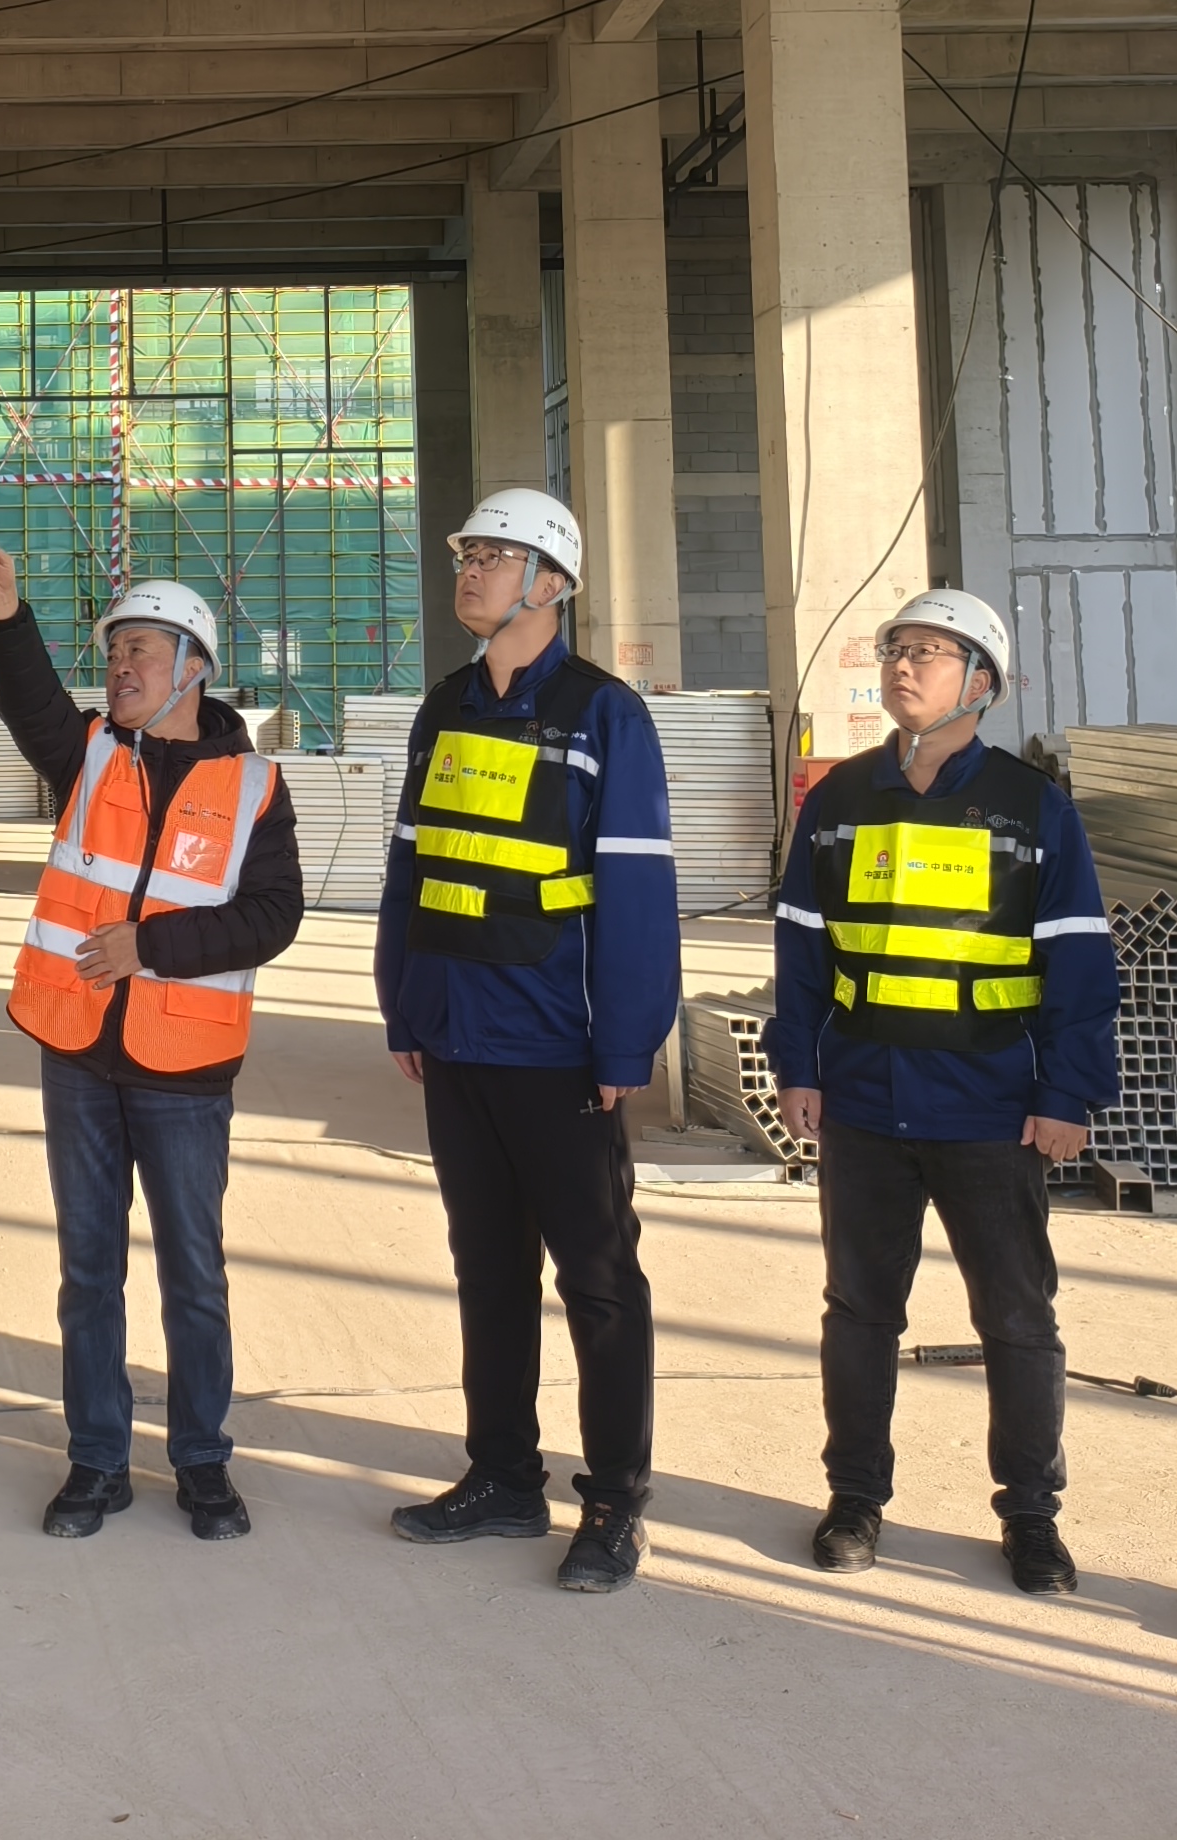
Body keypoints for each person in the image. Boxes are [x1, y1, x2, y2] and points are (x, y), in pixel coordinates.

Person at [0, 514, 306, 1542]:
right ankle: (97, 1461)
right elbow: (28, 700)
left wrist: (148, 947)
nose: (120, 666)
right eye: (113, 651)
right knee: (89, 1271)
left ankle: (201, 1461)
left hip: (184, 1067)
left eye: (141, 650)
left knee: (193, 1275)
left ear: (194, 667)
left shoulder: (253, 786)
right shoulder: (91, 757)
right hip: (78, 1051)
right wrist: (5, 611)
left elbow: (272, 916)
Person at [767, 588, 1121, 1592]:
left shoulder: (1031, 806)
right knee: (859, 1311)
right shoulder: (840, 798)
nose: (903, 666)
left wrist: (1067, 1093)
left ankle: (1032, 1516)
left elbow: (1077, 959)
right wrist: (798, 1067)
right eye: (897, 650)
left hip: (990, 1106)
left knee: (1016, 1317)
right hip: (863, 1101)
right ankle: (854, 1500)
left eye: (929, 652)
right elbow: (801, 950)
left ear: (982, 684)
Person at [374, 484, 678, 1593]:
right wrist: (404, 1001)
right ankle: (502, 1476)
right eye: (468, 554)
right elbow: (412, 864)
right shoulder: (445, 706)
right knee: (488, 1270)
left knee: (597, 1279)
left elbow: (636, 892)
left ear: (551, 584)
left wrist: (624, 1045)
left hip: (557, 1046)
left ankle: (615, 1502)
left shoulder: (605, 715)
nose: (471, 570)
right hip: (456, 1037)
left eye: (495, 557)